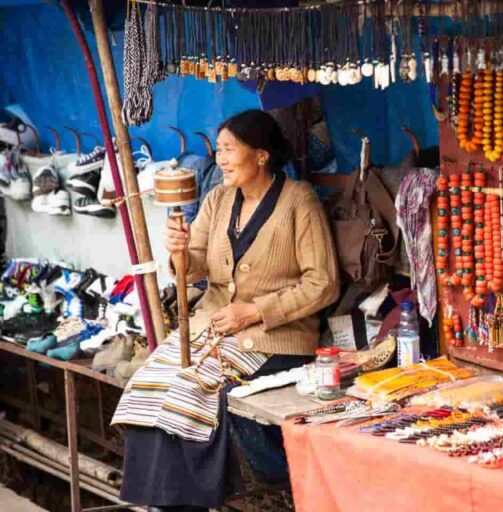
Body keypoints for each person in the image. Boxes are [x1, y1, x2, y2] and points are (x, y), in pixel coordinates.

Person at [111, 109, 340, 511]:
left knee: (187, 392)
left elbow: (322, 284)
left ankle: (193, 502)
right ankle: (159, 503)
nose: (221, 159)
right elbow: (194, 267)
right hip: (212, 328)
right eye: (218, 150)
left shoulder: (297, 202)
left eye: (230, 150)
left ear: (262, 155)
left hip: (273, 336)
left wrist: (255, 311)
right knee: (146, 388)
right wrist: (180, 252)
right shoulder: (218, 199)